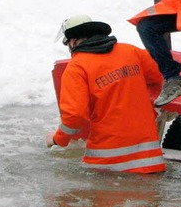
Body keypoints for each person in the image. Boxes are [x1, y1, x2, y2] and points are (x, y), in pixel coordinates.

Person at [46, 15, 166, 173]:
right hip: (150, 161)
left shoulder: (77, 67)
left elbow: (75, 116)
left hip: (107, 164)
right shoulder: (131, 52)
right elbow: (160, 76)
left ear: (73, 41)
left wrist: (57, 139)